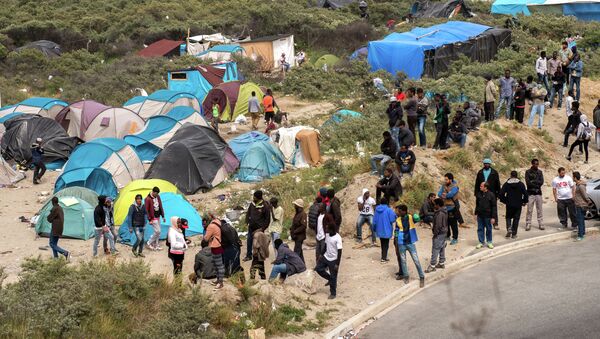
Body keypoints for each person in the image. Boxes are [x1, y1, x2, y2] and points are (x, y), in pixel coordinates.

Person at [395, 204, 425, 287]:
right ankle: (406, 276)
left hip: (410, 242)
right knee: (403, 261)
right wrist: (396, 240)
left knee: (416, 260)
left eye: (400, 211)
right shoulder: (398, 220)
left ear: (404, 211)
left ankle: (421, 276)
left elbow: (418, 219)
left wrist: (416, 215)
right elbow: (396, 231)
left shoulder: (411, 217)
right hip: (401, 243)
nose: (398, 212)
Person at [315, 223, 343, 299]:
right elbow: (326, 246)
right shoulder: (327, 235)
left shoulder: (338, 238)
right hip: (326, 256)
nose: (326, 230)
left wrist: (337, 264)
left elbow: (340, 251)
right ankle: (330, 279)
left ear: (332, 230)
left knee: (334, 276)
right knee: (318, 269)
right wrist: (321, 254)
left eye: (327, 229)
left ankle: (333, 293)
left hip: (334, 259)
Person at [499, 171, 528, 239]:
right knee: (516, 218)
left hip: (509, 204)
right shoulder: (521, 184)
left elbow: (501, 194)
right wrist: (524, 201)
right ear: (517, 176)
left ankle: (509, 228)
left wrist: (505, 201)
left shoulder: (506, 184)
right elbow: (526, 194)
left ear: (511, 176)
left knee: (508, 217)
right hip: (518, 204)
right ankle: (514, 234)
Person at [244, 190, 271, 261]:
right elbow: (248, 213)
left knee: (257, 244)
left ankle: (259, 257)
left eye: (254, 197)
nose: (253, 198)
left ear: (258, 197)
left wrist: (262, 229)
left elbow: (267, 219)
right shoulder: (252, 204)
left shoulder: (265, 206)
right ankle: (248, 255)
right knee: (249, 242)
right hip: (251, 227)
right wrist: (247, 222)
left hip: (259, 229)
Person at [474, 158, 501, 229]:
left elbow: (498, 183)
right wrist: (476, 193)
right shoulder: (480, 172)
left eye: (488, 164)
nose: (486, 165)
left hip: (492, 192)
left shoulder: (494, 172)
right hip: (481, 192)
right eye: (485, 164)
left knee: (493, 207)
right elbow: (477, 183)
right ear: (483, 164)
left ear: (490, 164)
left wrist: (498, 194)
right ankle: (483, 222)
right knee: (482, 206)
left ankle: (495, 223)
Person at [424, 198, 447, 273]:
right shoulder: (444, 211)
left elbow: (438, 226)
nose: (434, 206)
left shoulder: (439, 213)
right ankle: (441, 263)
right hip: (444, 233)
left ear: (438, 205)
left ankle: (432, 265)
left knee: (435, 248)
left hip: (439, 233)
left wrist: (435, 234)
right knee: (442, 247)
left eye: (435, 205)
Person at [203, 215, 225, 289]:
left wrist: (206, 230)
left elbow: (206, 238)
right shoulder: (217, 221)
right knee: (217, 264)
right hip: (219, 245)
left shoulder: (211, 226)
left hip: (215, 246)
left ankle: (220, 282)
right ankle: (218, 280)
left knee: (218, 265)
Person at [438, 173, 459, 244]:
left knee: (453, 224)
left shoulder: (455, 186)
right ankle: (447, 236)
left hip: (452, 207)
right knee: (446, 223)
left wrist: (445, 195)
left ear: (450, 179)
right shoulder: (443, 185)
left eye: (446, 179)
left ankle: (455, 238)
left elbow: (451, 194)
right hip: (445, 207)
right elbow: (439, 194)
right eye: (445, 179)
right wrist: (445, 195)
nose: (445, 180)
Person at [475, 182, 497, 249]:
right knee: (480, 229)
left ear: (485, 187)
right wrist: (476, 213)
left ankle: (489, 242)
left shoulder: (491, 195)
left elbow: (494, 207)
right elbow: (477, 205)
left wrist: (493, 217)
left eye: (481, 186)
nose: (480, 187)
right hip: (480, 215)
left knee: (489, 229)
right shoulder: (479, 194)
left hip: (488, 216)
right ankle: (481, 242)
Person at [373, 197, 396, 262]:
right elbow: (392, 220)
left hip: (379, 230)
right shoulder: (389, 210)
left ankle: (383, 256)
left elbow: (374, 221)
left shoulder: (376, 210)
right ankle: (383, 258)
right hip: (387, 230)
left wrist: (374, 229)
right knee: (386, 244)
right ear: (387, 202)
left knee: (382, 243)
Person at [525, 159, 544, 231]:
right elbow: (528, 183)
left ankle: (541, 223)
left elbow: (541, 182)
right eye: (535, 164)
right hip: (530, 193)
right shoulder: (528, 172)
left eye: (537, 164)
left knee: (539, 209)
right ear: (532, 164)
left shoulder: (540, 172)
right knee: (529, 209)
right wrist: (536, 183)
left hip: (538, 193)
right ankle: (528, 223)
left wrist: (534, 182)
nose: (537, 165)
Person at [145, 187, 165, 251]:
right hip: (153, 217)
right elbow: (146, 210)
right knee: (158, 231)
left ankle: (156, 245)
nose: (156, 195)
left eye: (157, 194)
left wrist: (163, 216)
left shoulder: (158, 197)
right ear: (153, 192)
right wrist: (149, 219)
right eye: (155, 193)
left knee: (158, 232)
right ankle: (148, 243)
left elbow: (160, 206)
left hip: (158, 216)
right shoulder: (147, 199)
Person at [573, 172, 591, 241]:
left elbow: (585, 195)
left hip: (581, 205)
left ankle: (580, 235)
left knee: (580, 220)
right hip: (579, 204)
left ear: (575, 177)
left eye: (573, 177)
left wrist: (588, 201)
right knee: (581, 220)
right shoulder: (578, 185)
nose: (572, 178)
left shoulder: (580, 186)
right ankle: (582, 233)